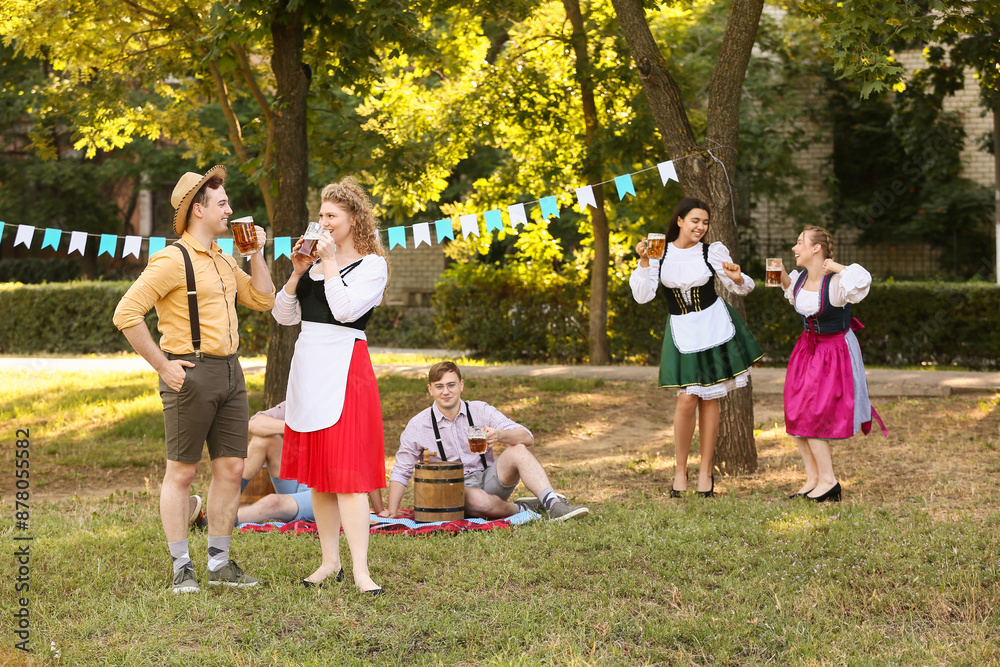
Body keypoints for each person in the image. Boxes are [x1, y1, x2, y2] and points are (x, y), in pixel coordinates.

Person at [113, 166, 275, 593]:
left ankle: (219, 563)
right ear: (198, 209)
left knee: (231, 467)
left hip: (230, 371)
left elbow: (262, 299)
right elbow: (126, 314)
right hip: (189, 371)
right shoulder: (171, 259)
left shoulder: (223, 257)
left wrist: (255, 252)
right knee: (182, 473)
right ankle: (181, 566)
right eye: (222, 203)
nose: (230, 209)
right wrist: (163, 365)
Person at [272, 177, 388, 594]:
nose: (322, 221)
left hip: (346, 365)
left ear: (353, 220)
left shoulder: (372, 266)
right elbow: (283, 316)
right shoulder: (312, 265)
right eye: (320, 214)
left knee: (349, 476)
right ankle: (328, 562)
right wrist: (297, 273)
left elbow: (344, 312)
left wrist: (332, 263)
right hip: (309, 366)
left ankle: (361, 570)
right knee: (320, 478)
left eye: (330, 215)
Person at [629, 197, 763, 498]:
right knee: (687, 398)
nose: (700, 227)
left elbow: (742, 287)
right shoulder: (659, 252)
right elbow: (642, 295)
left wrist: (737, 276)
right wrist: (644, 261)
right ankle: (680, 470)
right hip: (681, 329)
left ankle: (705, 472)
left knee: (710, 398)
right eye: (695, 221)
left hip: (714, 326)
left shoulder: (712, 252)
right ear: (679, 221)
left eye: (705, 222)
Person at [381, 361, 589, 522]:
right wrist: (392, 510)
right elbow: (402, 469)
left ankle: (552, 503)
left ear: (461, 385)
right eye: (439, 386)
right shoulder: (418, 425)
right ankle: (526, 509)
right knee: (480, 502)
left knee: (517, 448)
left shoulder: (480, 410)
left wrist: (500, 435)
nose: (446, 392)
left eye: (451, 385)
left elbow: (527, 437)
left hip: (489, 477)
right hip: (454, 489)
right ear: (430, 390)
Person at [778, 226, 885, 503]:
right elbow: (796, 298)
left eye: (799, 242)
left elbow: (862, 280)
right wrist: (781, 278)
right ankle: (812, 479)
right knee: (796, 411)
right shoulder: (800, 278)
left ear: (817, 248)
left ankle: (829, 481)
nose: (794, 247)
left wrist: (834, 266)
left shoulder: (837, 283)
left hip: (832, 352)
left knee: (813, 414)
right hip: (806, 349)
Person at [190, 401, 385, 526]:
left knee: (271, 502)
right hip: (297, 481)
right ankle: (222, 503)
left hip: (327, 492)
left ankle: (215, 521)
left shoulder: (345, 410)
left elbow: (367, 460)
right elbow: (254, 424)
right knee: (265, 440)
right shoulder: (302, 401)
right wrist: (298, 428)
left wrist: (379, 509)